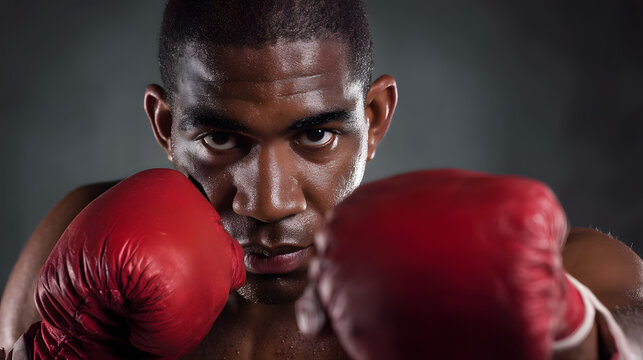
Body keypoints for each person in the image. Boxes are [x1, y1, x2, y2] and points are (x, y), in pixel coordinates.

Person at [0, 0, 641, 358]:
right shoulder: (82, 241)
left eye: (315, 135)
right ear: (166, 126)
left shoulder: (531, 265)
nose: (270, 202)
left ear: (376, 117)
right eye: (222, 138)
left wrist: (567, 324)